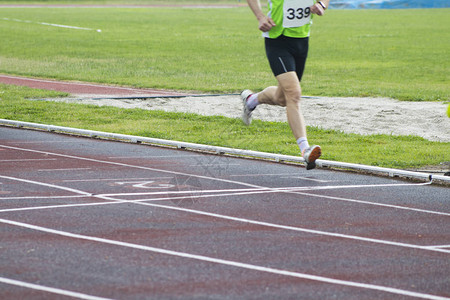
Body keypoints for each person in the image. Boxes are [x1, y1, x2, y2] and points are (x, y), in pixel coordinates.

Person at [242, 0, 330, 170]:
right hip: (277, 39)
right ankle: (305, 150)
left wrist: (321, 4)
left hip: (301, 39)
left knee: (284, 98)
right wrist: (260, 16)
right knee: (294, 94)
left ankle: (251, 100)